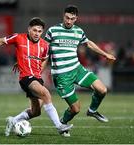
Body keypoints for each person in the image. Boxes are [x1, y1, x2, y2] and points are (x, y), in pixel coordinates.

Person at [0, 17, 73, 137]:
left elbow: (45, 58)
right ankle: (59, 126)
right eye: (35, 30)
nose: (37, 33)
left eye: (40, 31)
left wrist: (35, 67)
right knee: (46, 94)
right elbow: (0, 41)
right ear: (29, 29)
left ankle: (14, 120)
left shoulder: (45, 45)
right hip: (26, 78)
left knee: (36, 112)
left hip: (37, 78)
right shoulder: (18, 38)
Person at [44, 5, 116, 136]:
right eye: (67, 17)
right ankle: (63, 124)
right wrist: (37, 68)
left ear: (76, 18)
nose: (69, 21)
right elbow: (43, 51)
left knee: (102, 89)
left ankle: (92, 110)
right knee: (75, 109)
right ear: (63, 16)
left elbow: (88, 43)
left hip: (77, 69)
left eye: (72, 18)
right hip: (61, 75)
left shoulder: (78, 31)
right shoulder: (52, 31)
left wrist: (105, 54)